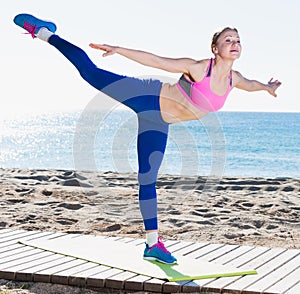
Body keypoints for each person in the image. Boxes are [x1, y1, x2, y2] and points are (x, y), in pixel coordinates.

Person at [13, 13, 281, 264]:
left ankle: (152, 245)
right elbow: (156, 60)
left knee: (147, 179)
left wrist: (267, 88)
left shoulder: (234, 79)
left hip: (159, 121)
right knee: (90, 73)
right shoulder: (200, 68)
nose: (234, 43)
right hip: (147, 95)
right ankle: (45, 32)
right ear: (215, 48)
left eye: (237, 40)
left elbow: (252, 85)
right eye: (227, 40)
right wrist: (120, 50)